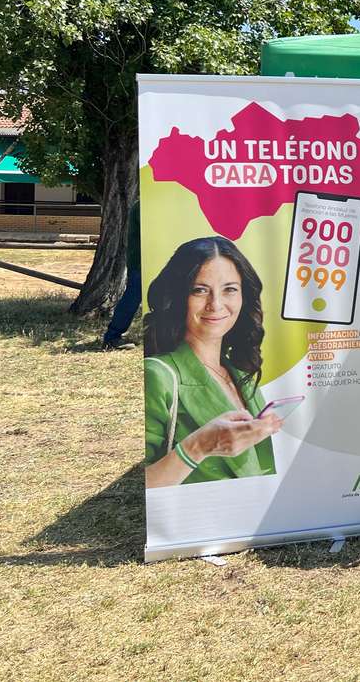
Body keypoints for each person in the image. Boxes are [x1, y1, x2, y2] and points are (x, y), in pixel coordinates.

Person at [143, 237, 282, 488]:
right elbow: (137, 488)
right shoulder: (157, 376)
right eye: (200, 290)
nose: (216, 304)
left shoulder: (240, 374)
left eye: (230, 289)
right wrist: (199, 446)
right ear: (177, 296)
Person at [103, 200, 141, 349]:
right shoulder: (144, 206)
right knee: (132, 297)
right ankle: (112, 337)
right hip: (141, 262)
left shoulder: (144, 204)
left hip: (148, 260)